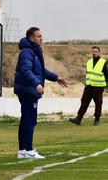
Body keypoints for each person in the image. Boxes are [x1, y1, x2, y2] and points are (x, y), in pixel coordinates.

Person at [14, 27, 69, 160]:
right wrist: (36, 83)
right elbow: (26, 71)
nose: (41, 38)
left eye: (41, 36)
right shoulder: (27, 52)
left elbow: (41, 71)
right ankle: (29, 150)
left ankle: (22, 151)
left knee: (26, 120)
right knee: (30, 120)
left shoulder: (34, 51)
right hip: (28, 91)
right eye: (38, 36)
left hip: (28, 90)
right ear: (31, 38)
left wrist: (56, 78)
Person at [69, 46, 108, 126]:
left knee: (98, 103)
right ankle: (78, 119)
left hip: (98, 86)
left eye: (96, 51)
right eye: (93, 51)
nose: (94, 53)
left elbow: (106, 74)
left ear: (99, 52)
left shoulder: (103, 62)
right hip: (89, 86)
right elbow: (88, 74)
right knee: (84, 101)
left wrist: (104, 85)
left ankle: (97, 120)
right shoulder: (89, 62)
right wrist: (86, 84)